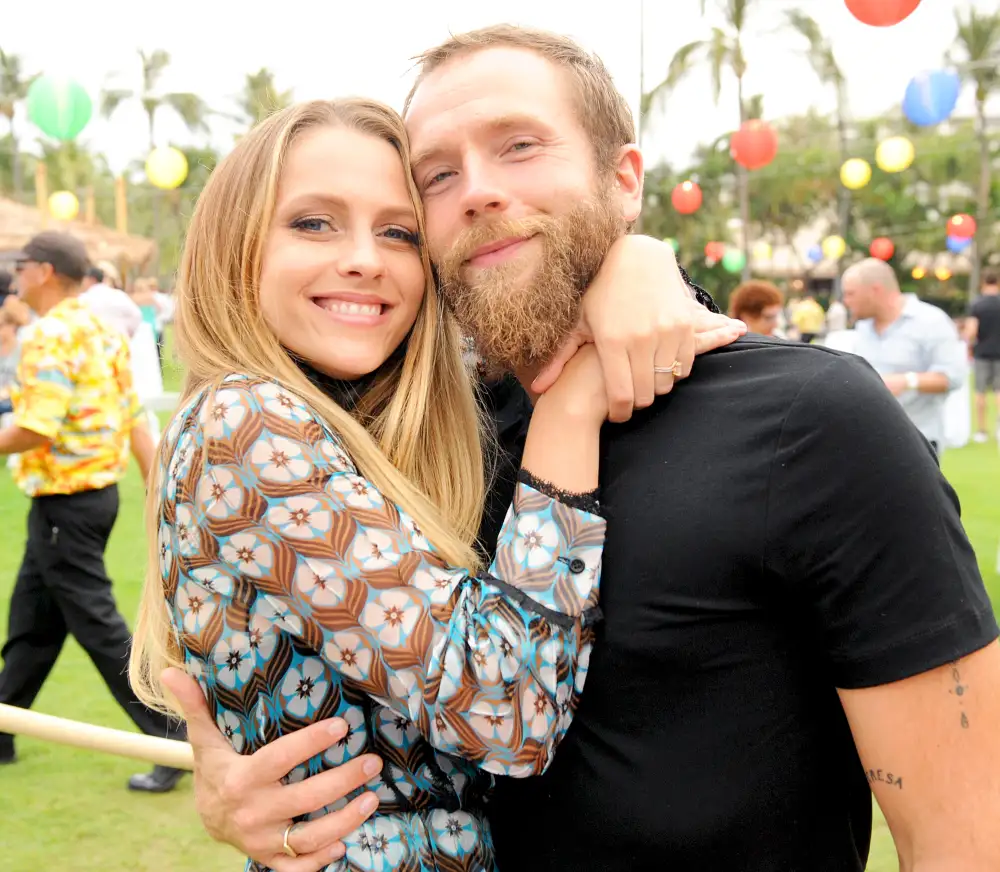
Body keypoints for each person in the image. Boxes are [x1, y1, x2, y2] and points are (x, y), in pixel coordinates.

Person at [167, 26, 1000, 872]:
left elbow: (964, 840)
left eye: (519, 146)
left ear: (624, 179)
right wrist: (236, 777)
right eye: (438, 176)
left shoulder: (813, 422)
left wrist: (640, 264)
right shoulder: (434, 448)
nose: (480, 191)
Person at [127, 99, 742, 872]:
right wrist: (571, 408)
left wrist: (639, 259)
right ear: (232, 246)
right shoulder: (244, 419)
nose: (365, 259)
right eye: (314, 223)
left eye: (399, 232)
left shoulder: (381, 423)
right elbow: (506, 710)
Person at [0, 231, 189, 793]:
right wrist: (159, 489)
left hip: (67, 504)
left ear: (45, 271)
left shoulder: (48, 337)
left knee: (99, 627)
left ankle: (171, 742)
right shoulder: (101, 331)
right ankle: (4, 727)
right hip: (89, 501)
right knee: (33, 621)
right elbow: (133, 416)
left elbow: (37, 427)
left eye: (22, 264)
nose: (16, 274)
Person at [843, 257, 967, 455]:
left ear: (875, 291)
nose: (846, 301)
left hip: (917, 441)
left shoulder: (931, 322)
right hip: (867, 437)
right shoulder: (863, 326)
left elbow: (953, 376)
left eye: (851, 294)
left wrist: (906, 381)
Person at [964, 272, 1000, 442]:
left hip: (982, 352)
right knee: (999, 391)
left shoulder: (977, 304)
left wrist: (967, 343)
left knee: (980, 393)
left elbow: (972, 331)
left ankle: (981, 431)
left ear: (983, 283)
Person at [80, 264, 144, 339]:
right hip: (118, 342)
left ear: (91, 279)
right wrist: (127, 333)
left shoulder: (83, 298)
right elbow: (137, 315)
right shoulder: (119, 295)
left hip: (95, 343)